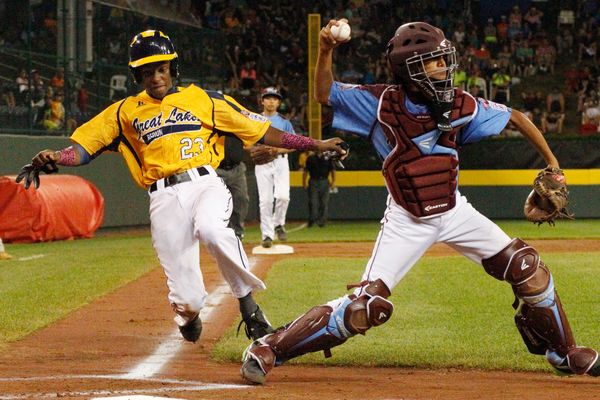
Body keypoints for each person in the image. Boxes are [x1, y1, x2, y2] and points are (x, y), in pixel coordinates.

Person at [240, 20, 600, 384]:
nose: (443, 68)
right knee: (364, 309)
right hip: (406, 218)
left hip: (454, 210)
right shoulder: (380, 103)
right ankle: (270, 346)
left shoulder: (462, 104)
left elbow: (516, 117)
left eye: (444, 59)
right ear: (408, 69)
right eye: (433, 62)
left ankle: (564, 352)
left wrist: (554, 165)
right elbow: (324, 93)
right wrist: (327, 49)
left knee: (528, 267)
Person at [15, 30, 347, 345]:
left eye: (160, 68)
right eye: (146, 72)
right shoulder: (124, 112)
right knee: (189, 299)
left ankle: (250, 308)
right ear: (138, 77)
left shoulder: (204, 100)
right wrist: (57, 155)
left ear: (172, 67)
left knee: (214, 231)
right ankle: (187, 316)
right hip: (163, 198)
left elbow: (261, 132)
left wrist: (315, 144)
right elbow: (85, 148)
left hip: (205, 183)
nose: (155, 77)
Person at [251, 87, 295, 248]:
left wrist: (276, 150)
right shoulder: (254, 120)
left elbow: (293, 145)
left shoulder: (284, 122)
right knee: (266, 200)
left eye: (275, 99)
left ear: (278, 102)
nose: (271, 101)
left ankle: (278, 223)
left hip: (281, 160)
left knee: (283, 196)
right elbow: (246, 144)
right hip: (262, 163)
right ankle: (267, 235)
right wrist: (258, 150)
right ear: (262, 101)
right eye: (268, 98)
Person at [216, 135, 249, 241]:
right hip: (216, 168)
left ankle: (238, 231)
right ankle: (222, 231)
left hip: (237, 168)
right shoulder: (213, 123)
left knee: (241, 198)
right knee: (219, 202)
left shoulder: (237, 123)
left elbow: (250, 141)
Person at [302, 150, 336, 227]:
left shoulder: (327, 158)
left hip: (324, 180)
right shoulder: (310, 158)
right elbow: (306, 170)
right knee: (313, 202)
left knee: (324, 202)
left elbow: (333, 170)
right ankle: (312, 219)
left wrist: (333, 181)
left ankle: (322, 221)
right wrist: (304, 182)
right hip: (313, 180)